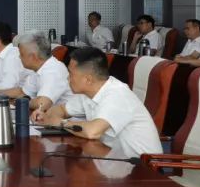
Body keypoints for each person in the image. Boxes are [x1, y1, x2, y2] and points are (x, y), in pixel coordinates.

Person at [31, 47, 162, 158]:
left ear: (88, 79)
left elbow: (92, 131)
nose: (67, 78)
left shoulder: (117, 95)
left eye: (70, 74)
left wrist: (60, 123)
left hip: (143, 168)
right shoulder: (88, 92)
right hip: (113, 158)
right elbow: (61, 110)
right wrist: (44, 115)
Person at [0, 33, 71, 110]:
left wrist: (18, 102)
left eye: (21, 54)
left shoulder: (53, 70)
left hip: (67, 117)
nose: (19, 57)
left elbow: (42, 104)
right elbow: (22, 92)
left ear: (32, 57)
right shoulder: (38, 69)